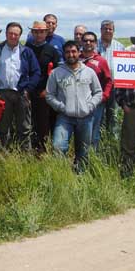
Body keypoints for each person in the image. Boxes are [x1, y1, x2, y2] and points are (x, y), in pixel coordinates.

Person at [46, 40, 102, 173]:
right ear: (64, 54)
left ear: (79, 52)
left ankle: (80, 176)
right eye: (67, 52)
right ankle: (62, 174)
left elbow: (98, 92)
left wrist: (90, 106)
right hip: (65, 117)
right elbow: (49, 95)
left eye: (73, 51)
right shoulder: (56, 73)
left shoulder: (89, 72)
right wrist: (61, 107)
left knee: (83, 150)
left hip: (86, 117)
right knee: (58, 146)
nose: (70, 54)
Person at [0, 22, 41, 151]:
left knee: (24, 128)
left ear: (20, 36)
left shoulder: (26, 52)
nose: (13, 36)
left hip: (21, 94)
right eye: (10, 33)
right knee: (2, 128)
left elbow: (36, 72)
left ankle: (24, 156)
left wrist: (28, 90)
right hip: (2, 94)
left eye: (16, 34)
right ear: (6, 34)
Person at [26, 20, 62, 153]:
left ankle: (41, 150)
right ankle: (27, 148)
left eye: (41, 31)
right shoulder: (27, 48)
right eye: (36, 31)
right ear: (32, 32)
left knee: (43, 123)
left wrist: (48, 90)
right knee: (28, 122)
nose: (38, 34)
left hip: (44, 92)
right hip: (27, 91)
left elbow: (57, 73)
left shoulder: (52, 51)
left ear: (46, 33)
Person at [80, 31, 113, 150]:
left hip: (95, 102)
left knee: (94, 131)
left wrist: (104, 96)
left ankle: (92, 158)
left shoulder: (101, 60)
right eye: (85, 40)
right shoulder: (76, 58)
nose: (88, 43)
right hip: (78, 101)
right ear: (81, 42)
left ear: (95, 43)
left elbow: (109, 81)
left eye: (91, 41)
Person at [97, 20, 124, 134]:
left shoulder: (120, 47)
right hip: (98, 87)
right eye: (105, 28)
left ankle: (113, 142)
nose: (108, 31)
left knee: (114, 116)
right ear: (101, 30)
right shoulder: (94, 45)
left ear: (113, 31)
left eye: (110, 29)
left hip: (115, 87)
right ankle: (100, 143)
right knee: (99, 116)